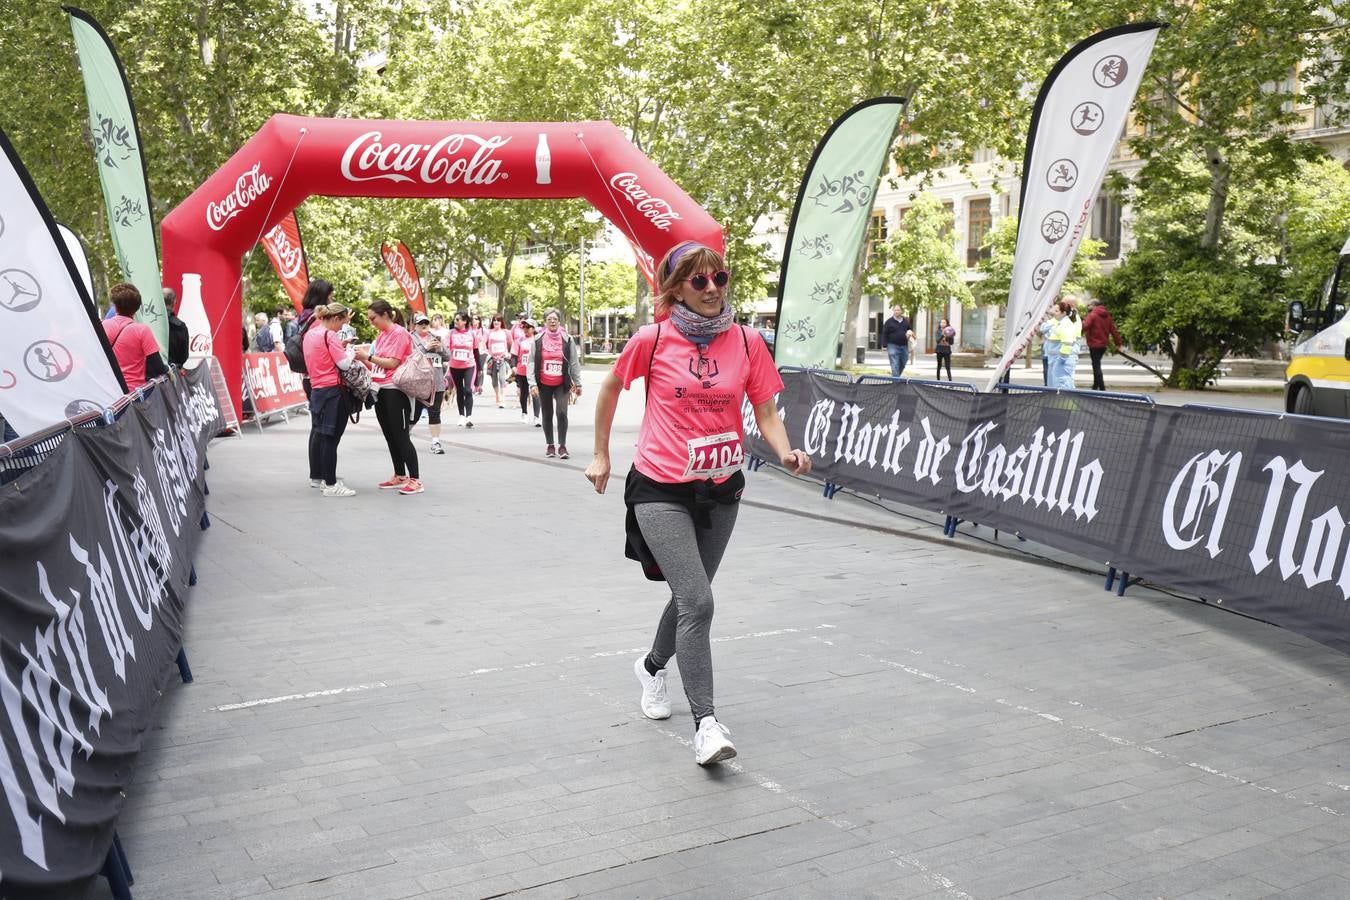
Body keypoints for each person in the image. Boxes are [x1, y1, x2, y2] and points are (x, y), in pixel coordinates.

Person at [584, 241, 812, 766]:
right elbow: (610, 390)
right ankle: (707, 723)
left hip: (721, 487)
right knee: (699, 602)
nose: (713, 290)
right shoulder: (653, 338)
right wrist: (600, 454)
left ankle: (651, 665)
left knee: (692, 597)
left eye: (720, 279)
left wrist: (786, 453)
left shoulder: (749, 342)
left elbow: (767, 411)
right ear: (676, 288)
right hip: (660, 485)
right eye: (699, 281)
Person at [303, 303, 366, 497]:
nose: (342, 327)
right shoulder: (329, 335)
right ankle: (330, 484)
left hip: (317, 389)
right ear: (336, 318)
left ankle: (324, 478)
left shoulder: (310, 334)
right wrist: (352, 352)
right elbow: (344, 364)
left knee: (322, 436)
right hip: (333, 390)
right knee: (331, 438)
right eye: (343, 322)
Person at [367, 299, 423, 495]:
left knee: (401, 435)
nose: (371, 322)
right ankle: (400, 474)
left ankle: (415, 479)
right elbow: (377, 366)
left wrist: (367, 357)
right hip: (380, 388)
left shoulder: (399, 333)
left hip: (396, 389)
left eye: (373, 318)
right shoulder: (382, 335)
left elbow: (392, 363)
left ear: (385, 315)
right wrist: (361, 359)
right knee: (390, 435)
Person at [528, 309, 581, 458]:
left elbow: (574, 362)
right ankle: (550, 445)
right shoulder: (538, 339)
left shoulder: (567, 339)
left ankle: (562, 446)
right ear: (545, 322)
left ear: (559, 322)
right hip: (544, 382)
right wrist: (532, 384)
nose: (552, 321)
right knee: (547, 413)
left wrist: (578, 383)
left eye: (555, 319)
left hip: (561, 383)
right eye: (549, 319)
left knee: (562, 412)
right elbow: (531, 362)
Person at [102, 283, 167, 390]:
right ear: (137, 308)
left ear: (115, 306)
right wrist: (168, 369)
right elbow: (158, 367)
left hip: (109, 390)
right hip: (133, 393)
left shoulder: (103, 326)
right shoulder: (142, 330)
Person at [410, 314, 449, 453]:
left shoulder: (434, 337)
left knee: (435, 412)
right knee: (414, 414)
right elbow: (409, 357)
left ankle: (435, 442)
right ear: (415, 325)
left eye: (426, 322)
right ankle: (403, 436)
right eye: (421, 323)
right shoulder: (410, 338)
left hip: (436, 381)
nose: (424, 325)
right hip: (418, 382)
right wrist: (425, 348)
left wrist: (440, 349)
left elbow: (448, 356)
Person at [1082, 298, 1123, 391]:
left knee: (1096, 366)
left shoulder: (1092, 315)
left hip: (1094, 344)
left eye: (1089, 305)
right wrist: (1118, 344)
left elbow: (1085, 326)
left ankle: (1102, 387)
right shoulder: (1107, 316)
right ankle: (1095, 385)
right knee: (1096, 364)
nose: (1087, 307)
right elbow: (1114, 331)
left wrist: (1079, 325)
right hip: (1103, 345)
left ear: (1094, 305)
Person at [446, 312, 477, 427]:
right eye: (455, 319)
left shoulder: (472, 334)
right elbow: (446, 348)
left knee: (468, 390)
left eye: (458, 319)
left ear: (465, 321)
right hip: (455, 366)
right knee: (459, 390)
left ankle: (469, 417)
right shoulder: (450, 333)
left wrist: (480, 370)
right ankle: (461, 416)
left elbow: (476, 351)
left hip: (469, 365)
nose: (455, 321)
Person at [512, 319, 540, 423]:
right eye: (523, 327)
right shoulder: (519, 340)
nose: (525, 329)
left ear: (533, 329)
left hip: (534, 371)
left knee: (535, 393)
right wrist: (513, 366)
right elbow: (514, 355)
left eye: (527, 327)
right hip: (522, 370)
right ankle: (524, 412)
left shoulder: (538, 340)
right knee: (523, 393)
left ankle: (537, 417)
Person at [1050, 299, 1082, 389]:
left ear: (1064, 312)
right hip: (1064, 358)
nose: (1054, 312)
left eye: (1057, 310)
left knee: (1063, 385)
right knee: (1064, 384)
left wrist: (1061, 359)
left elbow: (1067, 342)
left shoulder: (1066, 323)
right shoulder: (1065, 322)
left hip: (1063, 359)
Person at [484, 314, 511, 408]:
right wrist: (488, 353)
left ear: (501, 322)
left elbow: (511, 344)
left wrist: (508, 354)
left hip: (502, 358)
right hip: (492, 359)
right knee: (494, 379)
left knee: (502, 378)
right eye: (494, 320)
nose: (496, 322)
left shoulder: (506, 332)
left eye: (498, 320)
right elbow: (484, 344)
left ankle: (502, 398)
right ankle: (497, 395)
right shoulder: (489, 332)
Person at [881, 305, 913, 377]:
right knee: (895, 364)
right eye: (895, 310)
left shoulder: (906, 321)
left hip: (904, 345)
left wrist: (909, 333)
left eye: (898, 310)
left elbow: (910, 330)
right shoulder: (889, 322)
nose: (896, 312)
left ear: (901, 311)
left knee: (904, 361)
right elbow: (884, 333)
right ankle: (896, 383)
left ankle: (896, 377)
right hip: (892, 345)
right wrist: (884, 345)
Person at [471, 314, 487, 395]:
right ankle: (474, 385)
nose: (474, 320)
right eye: (473, 319)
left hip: (481, 351)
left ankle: (479, 385)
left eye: (476, 318)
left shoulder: (483, 330)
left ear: (479, 320)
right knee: (474, 368)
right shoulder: (469, 329)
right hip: (472, 351)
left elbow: (485, 340)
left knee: (480, 368)